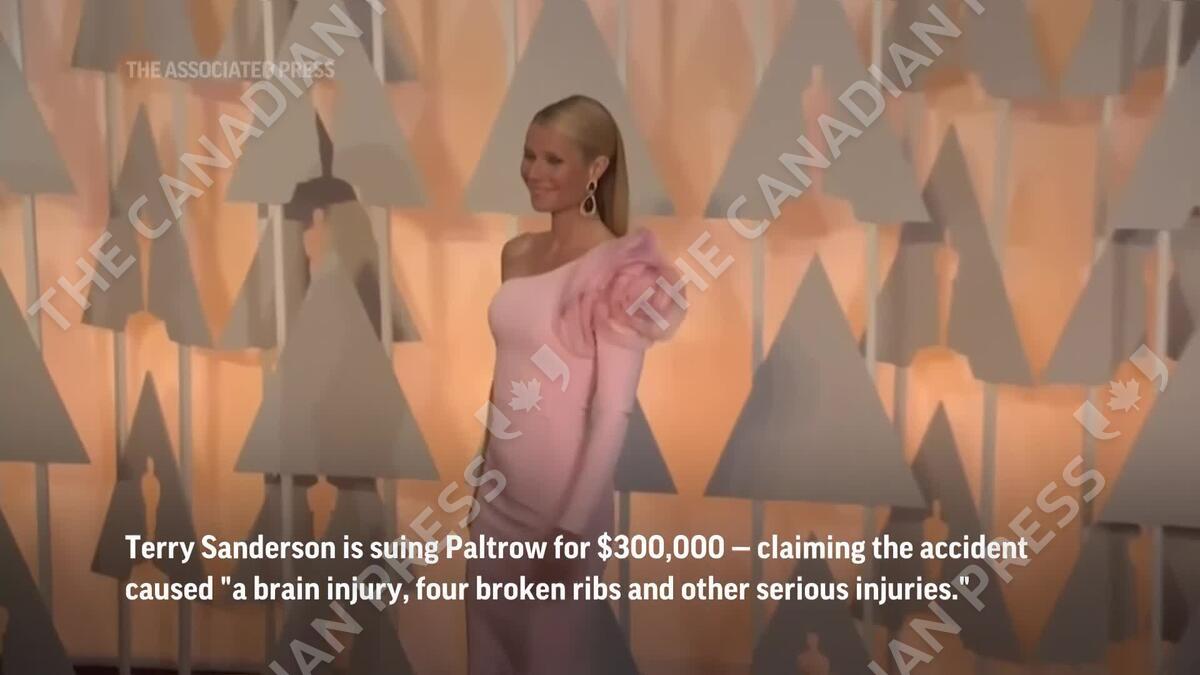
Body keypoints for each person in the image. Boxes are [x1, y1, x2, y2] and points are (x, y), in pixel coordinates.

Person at [464, 94, 687, 674]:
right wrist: (481, 480)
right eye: (529, 156)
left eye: (553, 160)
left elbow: (613, 412)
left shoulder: (623, 272)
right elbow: (504, 380)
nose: (534, 172)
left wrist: (571, 528)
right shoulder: (517, 253)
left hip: (563, 509)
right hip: (497, 503)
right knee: (489, 656)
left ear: (596, 168)